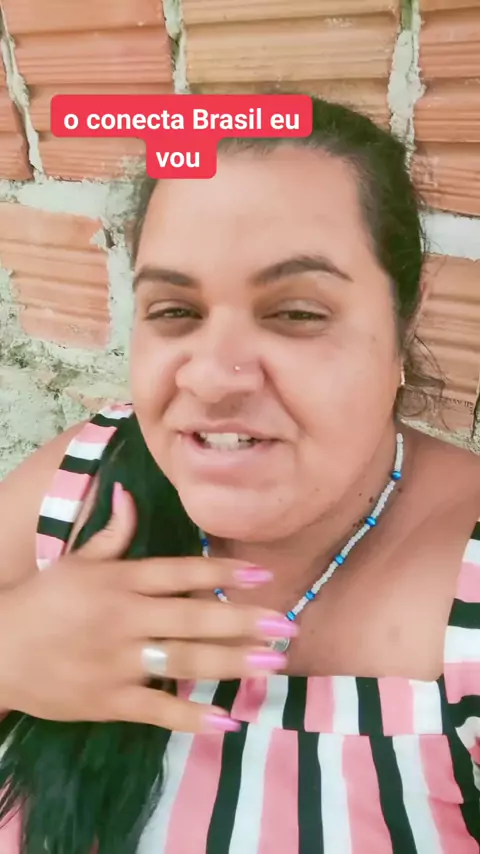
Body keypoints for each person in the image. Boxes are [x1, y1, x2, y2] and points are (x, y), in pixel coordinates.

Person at [0, 95, 478, 854]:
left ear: (404, 317)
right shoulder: (86, 480)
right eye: (174, 311)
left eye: (296, 313)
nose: (212, 378)